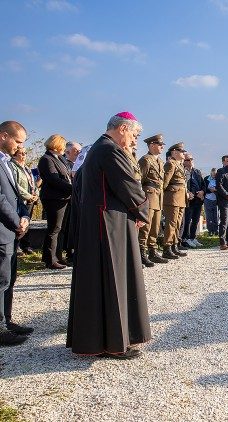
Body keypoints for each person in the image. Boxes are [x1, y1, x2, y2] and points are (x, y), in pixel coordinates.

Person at [66, 112, 150, 359]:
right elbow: (129, 186)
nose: (134, 140)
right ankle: (114, 343)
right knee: (113, 280)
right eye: (134, 134)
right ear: (123, 128)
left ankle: (97, 341)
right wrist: (143, 211)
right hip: (109, 224)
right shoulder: (111, 150)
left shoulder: (97, 148)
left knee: (99, 283)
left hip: (100, 222)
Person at [0, 121, 31, 346]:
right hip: (3, 229)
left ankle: (6, 320)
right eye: (17, 141)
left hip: (10, 230)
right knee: (1, 280)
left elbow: (17, 196)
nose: (20, 147)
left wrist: (25, 217)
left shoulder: (7, 163)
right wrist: (16, 222)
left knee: (9, 279)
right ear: (3, 136)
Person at [38, 134, 73, 270]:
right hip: (54, 198)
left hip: (64, 197)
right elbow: (54, 180)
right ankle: (50, 259)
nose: (65, 148)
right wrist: (72, 188)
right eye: (63, 145)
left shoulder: (59, 159)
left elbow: (67, 175)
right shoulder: (46, 159)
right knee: (54, 228)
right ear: (57, 144)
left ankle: (58, 256)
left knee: (61, 229)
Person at [137, 134, 168, 266]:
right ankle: (141, 253)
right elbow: (139, 180)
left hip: (158, 196)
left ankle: (153, 251)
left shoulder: (160, 161)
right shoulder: (145, 160)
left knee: (155, 227)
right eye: (159, 144)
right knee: (146, 227)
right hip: (148, 196)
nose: (162, 147)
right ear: (152, 145)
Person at [162, 143, 189, 259]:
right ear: (175, 152)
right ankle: (167, 248)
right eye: (182, 151)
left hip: (180, 198)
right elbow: (165, 183)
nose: (184, 154)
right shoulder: (170, 164)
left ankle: (174, 245)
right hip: (172, 198)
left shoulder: (179, 165)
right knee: (171, 223)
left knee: (177, 224)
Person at [10, 147, 37, 254]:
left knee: (27, 222)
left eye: (25, 153)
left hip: (30, 199)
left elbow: (32, 182)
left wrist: (35, 194)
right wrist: (28, 195)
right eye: (21, 153)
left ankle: (26, 245)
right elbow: (15, 184)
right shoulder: (12, 166)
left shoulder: (26, 167)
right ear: (15, 155)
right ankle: (17, 246)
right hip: (19, 199)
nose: (24, 155)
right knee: (18, 223)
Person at [181, 152, 204, 248]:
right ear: (184, 161)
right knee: (187, 220)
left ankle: (192, 237)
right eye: (188, 160)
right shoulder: (182, 171)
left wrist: (202, 191)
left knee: (195, 220)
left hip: (198, 200)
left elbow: (203, 184)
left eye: (191, 159)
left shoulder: (197, 172)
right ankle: (185, 238)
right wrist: (190, 193)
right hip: (189, 200)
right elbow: (182, 185)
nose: (190, 161)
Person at [203, 168, 219, 235]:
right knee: (209, 216)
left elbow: (220, 188)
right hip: (208, 199)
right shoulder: (206, 179)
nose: (214, 176)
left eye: (215, 175)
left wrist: (215, 190)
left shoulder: (218, 179)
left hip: (216, 200)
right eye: (213, 175)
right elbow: (204, 188)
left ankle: (216, 230)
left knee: (216, 216)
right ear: (211, 173)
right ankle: (210, 231)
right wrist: (210, 190)